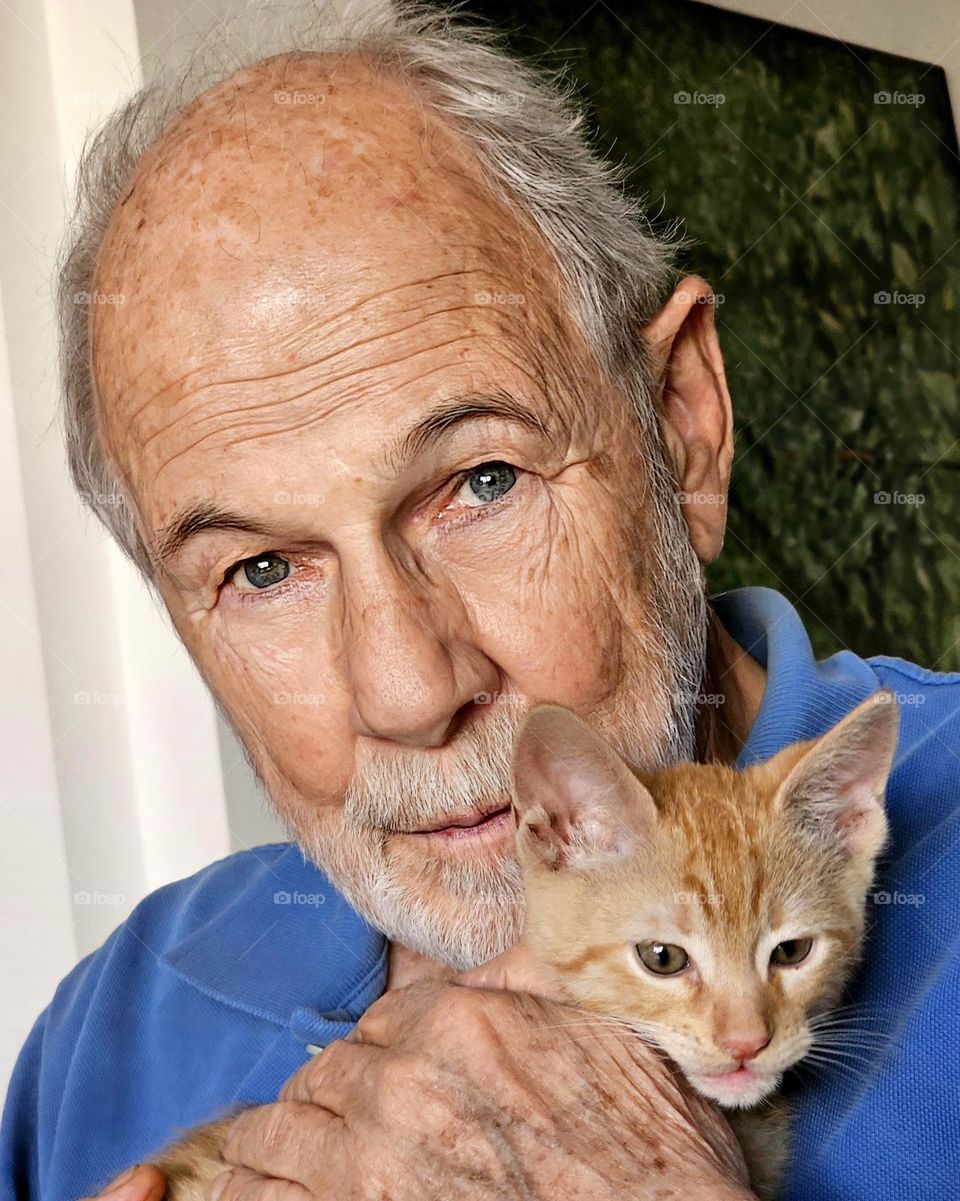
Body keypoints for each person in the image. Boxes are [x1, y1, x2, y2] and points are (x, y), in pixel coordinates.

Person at [2, 4, 957, 1200]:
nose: (408, 688)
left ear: (686, 432)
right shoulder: (110, 1027)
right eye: (259, 568)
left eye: (483, 481)